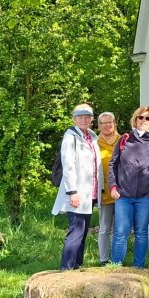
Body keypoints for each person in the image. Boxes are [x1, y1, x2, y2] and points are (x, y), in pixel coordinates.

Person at [109, 106, 149, 268]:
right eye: (140, 117)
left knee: (141, 233)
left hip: (145, 197)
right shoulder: (125, 139)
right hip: (123, 196)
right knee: (120, 232)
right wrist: (113, 187)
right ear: (135, 119)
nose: (143, 121)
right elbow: (114, 164)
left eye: (147, 118)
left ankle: (139, 269)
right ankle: (115, 267)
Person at [52, 104, 103, 270]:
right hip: (77, 192)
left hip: (90, 192)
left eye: (87, 117)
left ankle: (76, 265)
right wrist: (72, 192)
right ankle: (66, 267)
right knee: (76, 231)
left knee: (83, 232)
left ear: (91, 119)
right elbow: (68, 165)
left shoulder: (92, 136)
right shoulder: (71, 136)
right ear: (74, 119)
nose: (84, 119)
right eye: (80, 117)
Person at [96, 112, 120, 265]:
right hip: (103, 191)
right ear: (99, 125)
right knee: (104, 228)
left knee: (120, 229)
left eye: (109, 122)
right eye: (103, 123)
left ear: (114, 124)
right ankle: (104, 259)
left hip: (120, 191)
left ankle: (117, 259)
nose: (107, 125)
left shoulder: (122, 140)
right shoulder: (94, 142)